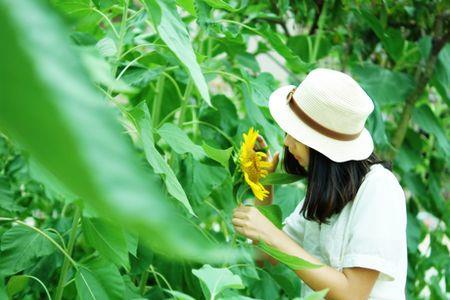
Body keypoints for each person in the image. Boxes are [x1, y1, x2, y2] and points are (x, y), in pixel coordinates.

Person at [232, 68, 407, 299]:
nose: (287, 143)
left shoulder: (378, 189)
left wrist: (270, 234)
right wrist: (262, 186)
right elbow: (268, 258)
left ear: (322, 145)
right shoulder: (329, 193)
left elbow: (353, 294)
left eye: (296, 134)